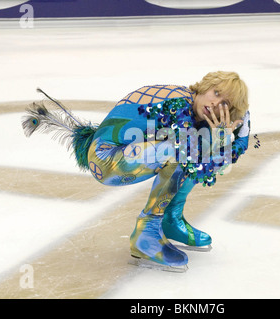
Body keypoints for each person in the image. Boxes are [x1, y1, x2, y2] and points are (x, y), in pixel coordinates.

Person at [22, 71, 256, 272]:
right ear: (204, 87)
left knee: (196, 153)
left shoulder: (207, 116)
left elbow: (220, 163)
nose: (217, 104)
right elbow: (195, 153)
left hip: (134, 153)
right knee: (184, 152)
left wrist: (231, 131)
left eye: (225, 103)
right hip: (106, 158)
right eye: (216, 93)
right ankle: (146, 234)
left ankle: (170, 220)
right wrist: (219, 138)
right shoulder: (176, 103)